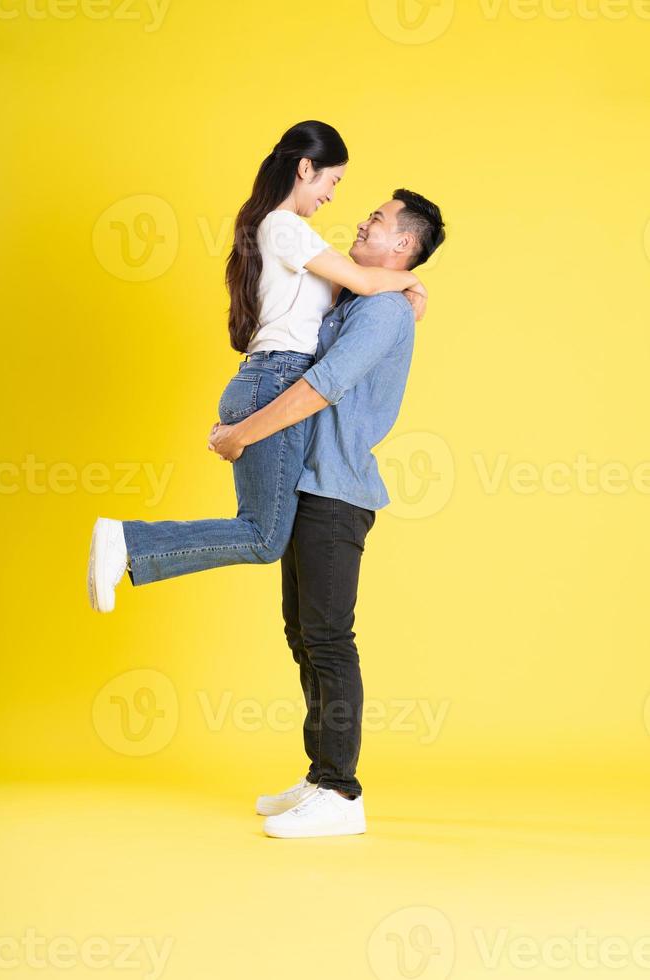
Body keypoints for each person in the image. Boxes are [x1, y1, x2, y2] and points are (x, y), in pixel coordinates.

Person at [87, 120, 427, 612]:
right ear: (305, 168)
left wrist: (403, 287)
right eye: (333, 180)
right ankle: (127, 542)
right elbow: (365, 281)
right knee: (264, 536)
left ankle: (128, 545)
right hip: (277, 378)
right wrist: (417, 286)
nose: (333, 196)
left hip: (266, 377)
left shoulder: (290, 234)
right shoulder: (284, 227)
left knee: (263, 533)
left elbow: (350, 291)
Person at [209, 189, 446, 838]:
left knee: (329, 640)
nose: (364, 218)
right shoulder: (362, 300)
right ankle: (320, 775)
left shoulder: (382, 311)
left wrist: (243, 433)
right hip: (310, 484)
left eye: (379, 218)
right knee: (304, 634)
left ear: (403, 245)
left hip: (336, 494)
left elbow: (321, 386)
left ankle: (341, 794)